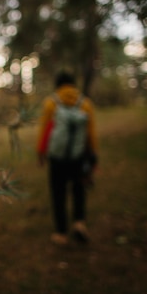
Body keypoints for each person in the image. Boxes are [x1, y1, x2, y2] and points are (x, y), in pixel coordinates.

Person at [37, 71, 98, 246]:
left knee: (58, 193)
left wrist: (41, 152)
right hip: (78, 156)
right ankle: (79, 222)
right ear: (73, 84)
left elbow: (45, 130)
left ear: (58, 85)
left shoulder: (51, 103)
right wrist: (93, 155)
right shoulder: (85, 103)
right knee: (79, 189)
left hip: (57, 157)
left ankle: (61, 233)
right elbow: (91, 133)